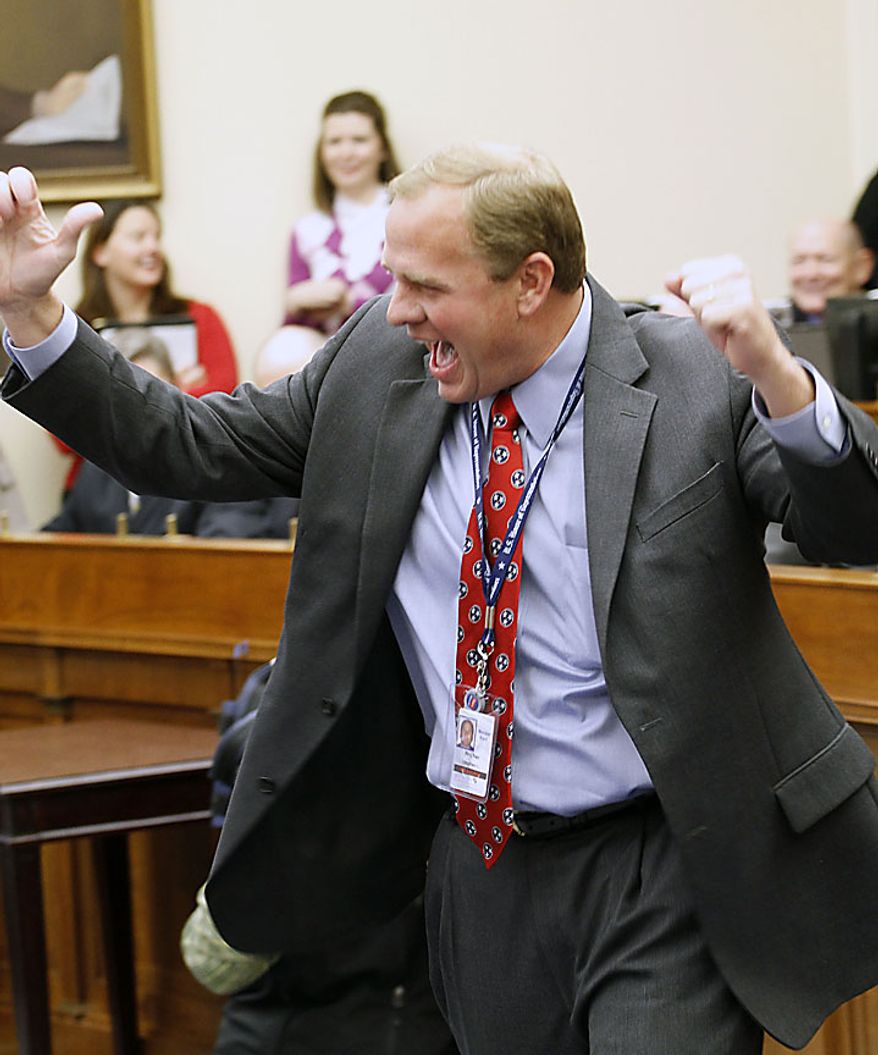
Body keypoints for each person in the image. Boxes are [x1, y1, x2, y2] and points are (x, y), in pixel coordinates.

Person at [1, 150, 878, 1054]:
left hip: (661, 856)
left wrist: (780, 377)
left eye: (425, 284)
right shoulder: (378, 364)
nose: (396, 308)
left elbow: (854, 526)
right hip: (481, 859)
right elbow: (185, 445)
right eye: (391, 276)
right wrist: (33, 315)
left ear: (531, 281)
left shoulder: (692, 372)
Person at [181, 660, 458, 1055]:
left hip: (420, 1029)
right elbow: (210, 964)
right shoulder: (292, 699)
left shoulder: (445, 708)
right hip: (292, 1034)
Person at [53, 197, 239, 493]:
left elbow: (223, 407)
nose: (152, 248)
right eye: (138, 237)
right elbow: (63, 436)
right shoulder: (75, 329)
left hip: (188, 487)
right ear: (100, 252)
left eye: (156, 237)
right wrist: (178, 391)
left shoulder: (200, 317)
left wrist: (109, 402)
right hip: (98, 495)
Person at [270, 90, 400, 373]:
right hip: (323, 369)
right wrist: (296, 303)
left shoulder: (405, 217)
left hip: (392, 360)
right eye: (334, 142)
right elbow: (289, 338)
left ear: (383, 148)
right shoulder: (307, 231)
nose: (346, 153)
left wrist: (348, 304)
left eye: (359, 140)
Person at [42, 337, 208, 535]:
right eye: (126, 395)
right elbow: (61, 534)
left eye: (151, 392)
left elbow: (222, 545)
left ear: (178, 389)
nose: (139, 407)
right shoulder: (97, 465)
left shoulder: (206, 464)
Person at [783, 217, 875, 323]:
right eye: (799, 261)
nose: (811, 274)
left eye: (825, 260)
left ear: (861, 267)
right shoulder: (770, 329)